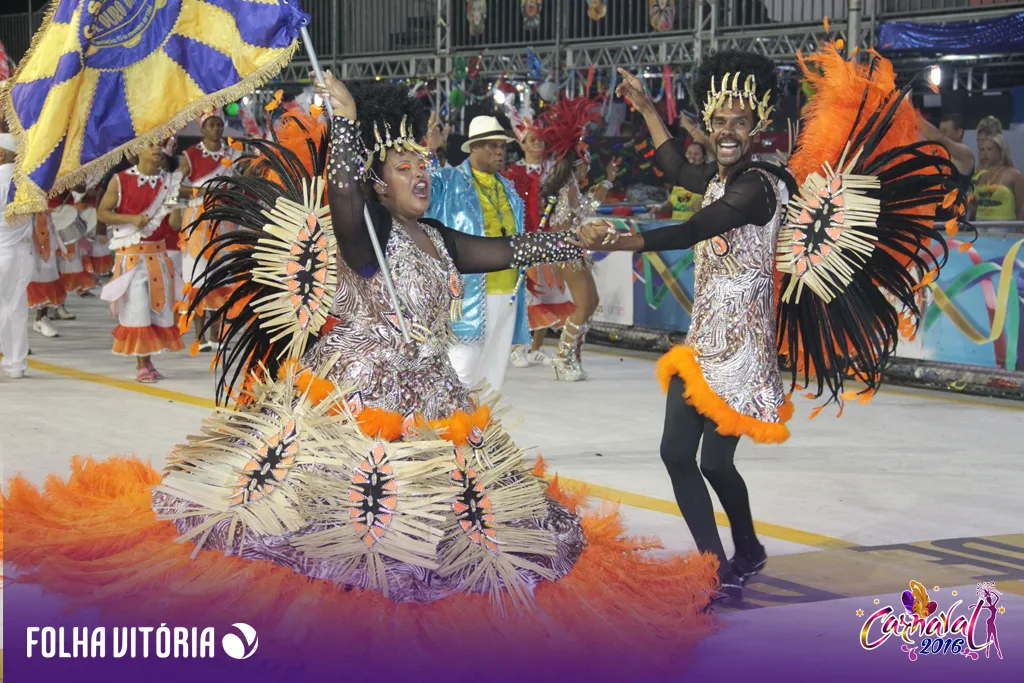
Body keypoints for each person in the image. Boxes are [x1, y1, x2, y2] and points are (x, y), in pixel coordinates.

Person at [3, 81, 717, 680]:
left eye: (425, 163)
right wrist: (344, 126)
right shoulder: (361, 234)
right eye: (406, 164)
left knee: (454, 536)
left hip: (436, 405)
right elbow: (343, 197)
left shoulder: (437, 237)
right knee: (337, 539)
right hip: (355, 406)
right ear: (378, 179)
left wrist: (572, 239)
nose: (422, 173)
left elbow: (507, 247)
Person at [576, 47, 962, 604]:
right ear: (707, 126)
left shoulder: (759, 184)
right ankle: (719, 564)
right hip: (703, 341)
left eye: (741, 121)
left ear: (758, 126)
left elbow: (694, 229)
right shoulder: (720, 173)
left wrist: (619, 240)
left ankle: (747, 547)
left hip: (743, 353)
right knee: (676, 454)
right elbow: (678, 171)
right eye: (720, 121)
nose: (729, 130)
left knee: (714, 461)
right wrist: (647, 110)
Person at [425, 115, 533, 392]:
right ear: (472, 148)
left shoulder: (508, 189)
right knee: (459, 372)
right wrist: (428, 150)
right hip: (468, 295)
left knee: (493, 377)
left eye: (502, 146)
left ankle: (481, 431)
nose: (500, 152)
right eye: (491, 146)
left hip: (508, 294)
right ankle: (445, 431)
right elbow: (419, 187)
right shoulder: (447, 182)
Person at [536, 97, 621, 381]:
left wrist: (607, 181)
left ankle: (572, 354)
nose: (588, 168)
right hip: (567, 251)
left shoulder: (571, 187)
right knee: (584, 305)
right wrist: (605, 184)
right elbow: (572, 216)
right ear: (576, 165)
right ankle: (562, 357)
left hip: (572, 251)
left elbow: (584, 209)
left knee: (591, 302)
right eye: (585, 163)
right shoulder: (569, 189)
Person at [97, 140, 185, 381]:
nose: (157, 149)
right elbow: (102, 213)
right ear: (137, 151)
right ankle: (142, 365)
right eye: (150, 145)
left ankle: (148, 362)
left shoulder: (168, 183)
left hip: (159, 257)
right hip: (132, 258)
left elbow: (174, 225)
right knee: (136, 310)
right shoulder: (120, 180)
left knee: (157, 311)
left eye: (159, 145)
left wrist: (175, 206)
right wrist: (132, 219)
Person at [178, 109, 236, 351]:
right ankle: (199, 337)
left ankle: (216, 336)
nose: (216, 129)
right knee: (198, 278)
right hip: (198, 221)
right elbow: (175, 186)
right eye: (210, 125)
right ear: (202, 129)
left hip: (223, 221)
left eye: (218, 124)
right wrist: (200, 193)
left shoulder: (232, 153)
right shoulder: (190, 155)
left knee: (219, 277)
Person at [0, 132, 33, 379]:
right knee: (17, 308)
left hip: (2, 251)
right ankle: (15, 365)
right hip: (22, 253)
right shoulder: (29, 182)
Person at [972, 134, 1023, 221]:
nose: (985, 153)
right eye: (982, 150)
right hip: (980, 223)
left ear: (1001, 151)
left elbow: (1021, 207)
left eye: (989, 149)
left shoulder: (1014, 175)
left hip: (1003, 224)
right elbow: (974, 205)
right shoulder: (978, 175)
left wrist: (1019, 230)